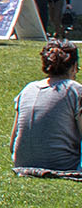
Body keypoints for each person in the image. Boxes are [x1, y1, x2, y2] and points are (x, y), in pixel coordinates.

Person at [12, 41, 81, 172]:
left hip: (22, 163)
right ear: (74, 67)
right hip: (64, 166)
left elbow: (13, 143)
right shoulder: (75, 90)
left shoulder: (28, 89)